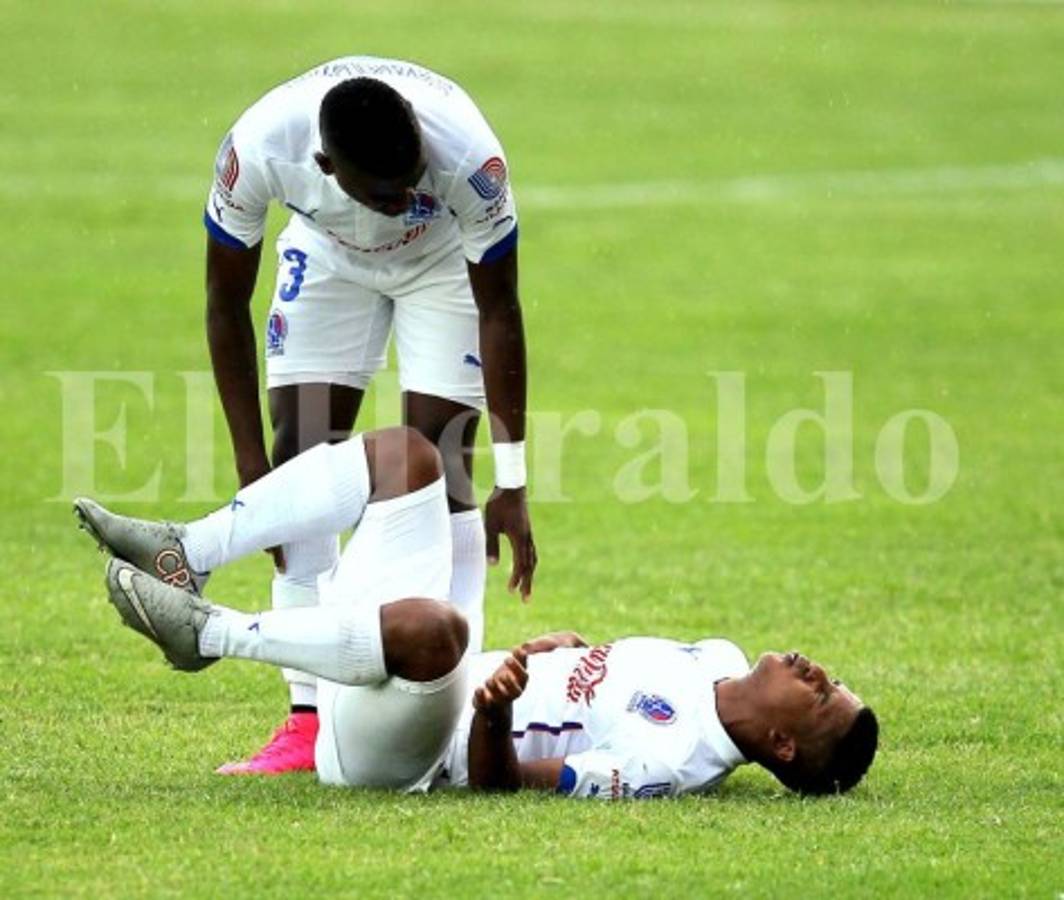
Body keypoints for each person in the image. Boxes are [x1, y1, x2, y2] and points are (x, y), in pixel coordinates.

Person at [74, 429, 878, 798]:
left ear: (779, 743)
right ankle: (192, 548)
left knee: (439, 630)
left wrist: (493, 712)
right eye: (831, 677)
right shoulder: (718, 657)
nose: (815, 670)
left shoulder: (671, 764)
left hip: (403, 755)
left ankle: (206, 635)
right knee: (412, 458)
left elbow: (508, 785)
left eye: (821, 696)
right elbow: (599, 687)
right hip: (416, 677)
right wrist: (561, 653)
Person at [200, 56, 535, 772]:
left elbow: (500, 307)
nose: (402, 199)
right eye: (384, 194)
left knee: (440, 455)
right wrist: (251, 465)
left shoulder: (469, 159)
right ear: (324, 165)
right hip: (326, 258)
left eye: (412, 182)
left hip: (443, 264)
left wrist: (515, 480)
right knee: (300, 460)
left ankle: (447, 702)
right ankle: (306, 721)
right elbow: (224, 301)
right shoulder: (260, 146)